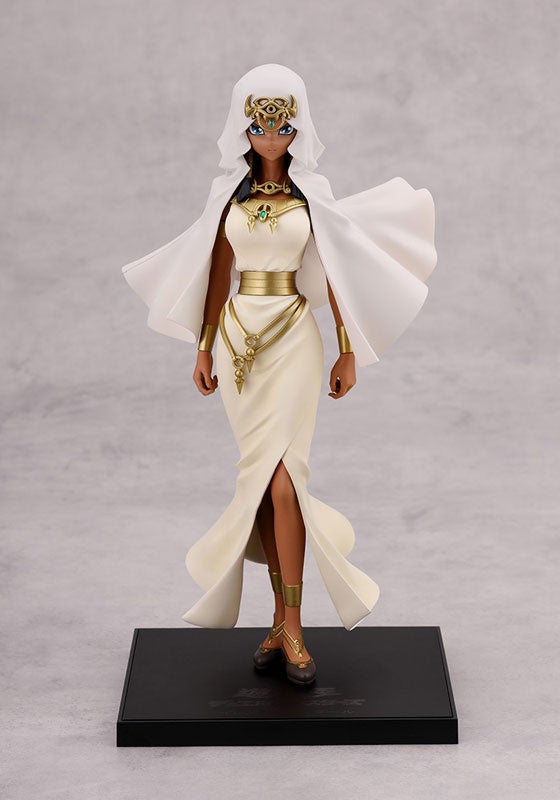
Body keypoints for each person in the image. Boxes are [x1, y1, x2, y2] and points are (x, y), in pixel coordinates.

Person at [121, 64, 437, 686]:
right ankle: (277, 620)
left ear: (298, 129)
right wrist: (203, 348)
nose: (271, 137)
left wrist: (348, 350)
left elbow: (337, 271)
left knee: (287, 482)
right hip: (239, 342)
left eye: (283, 127)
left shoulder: (312, 195)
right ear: (243, 128)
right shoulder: (228, 196)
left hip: (293, 337)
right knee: (262, 482)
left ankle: (293, 624)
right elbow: (217, 275)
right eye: (260, 127)